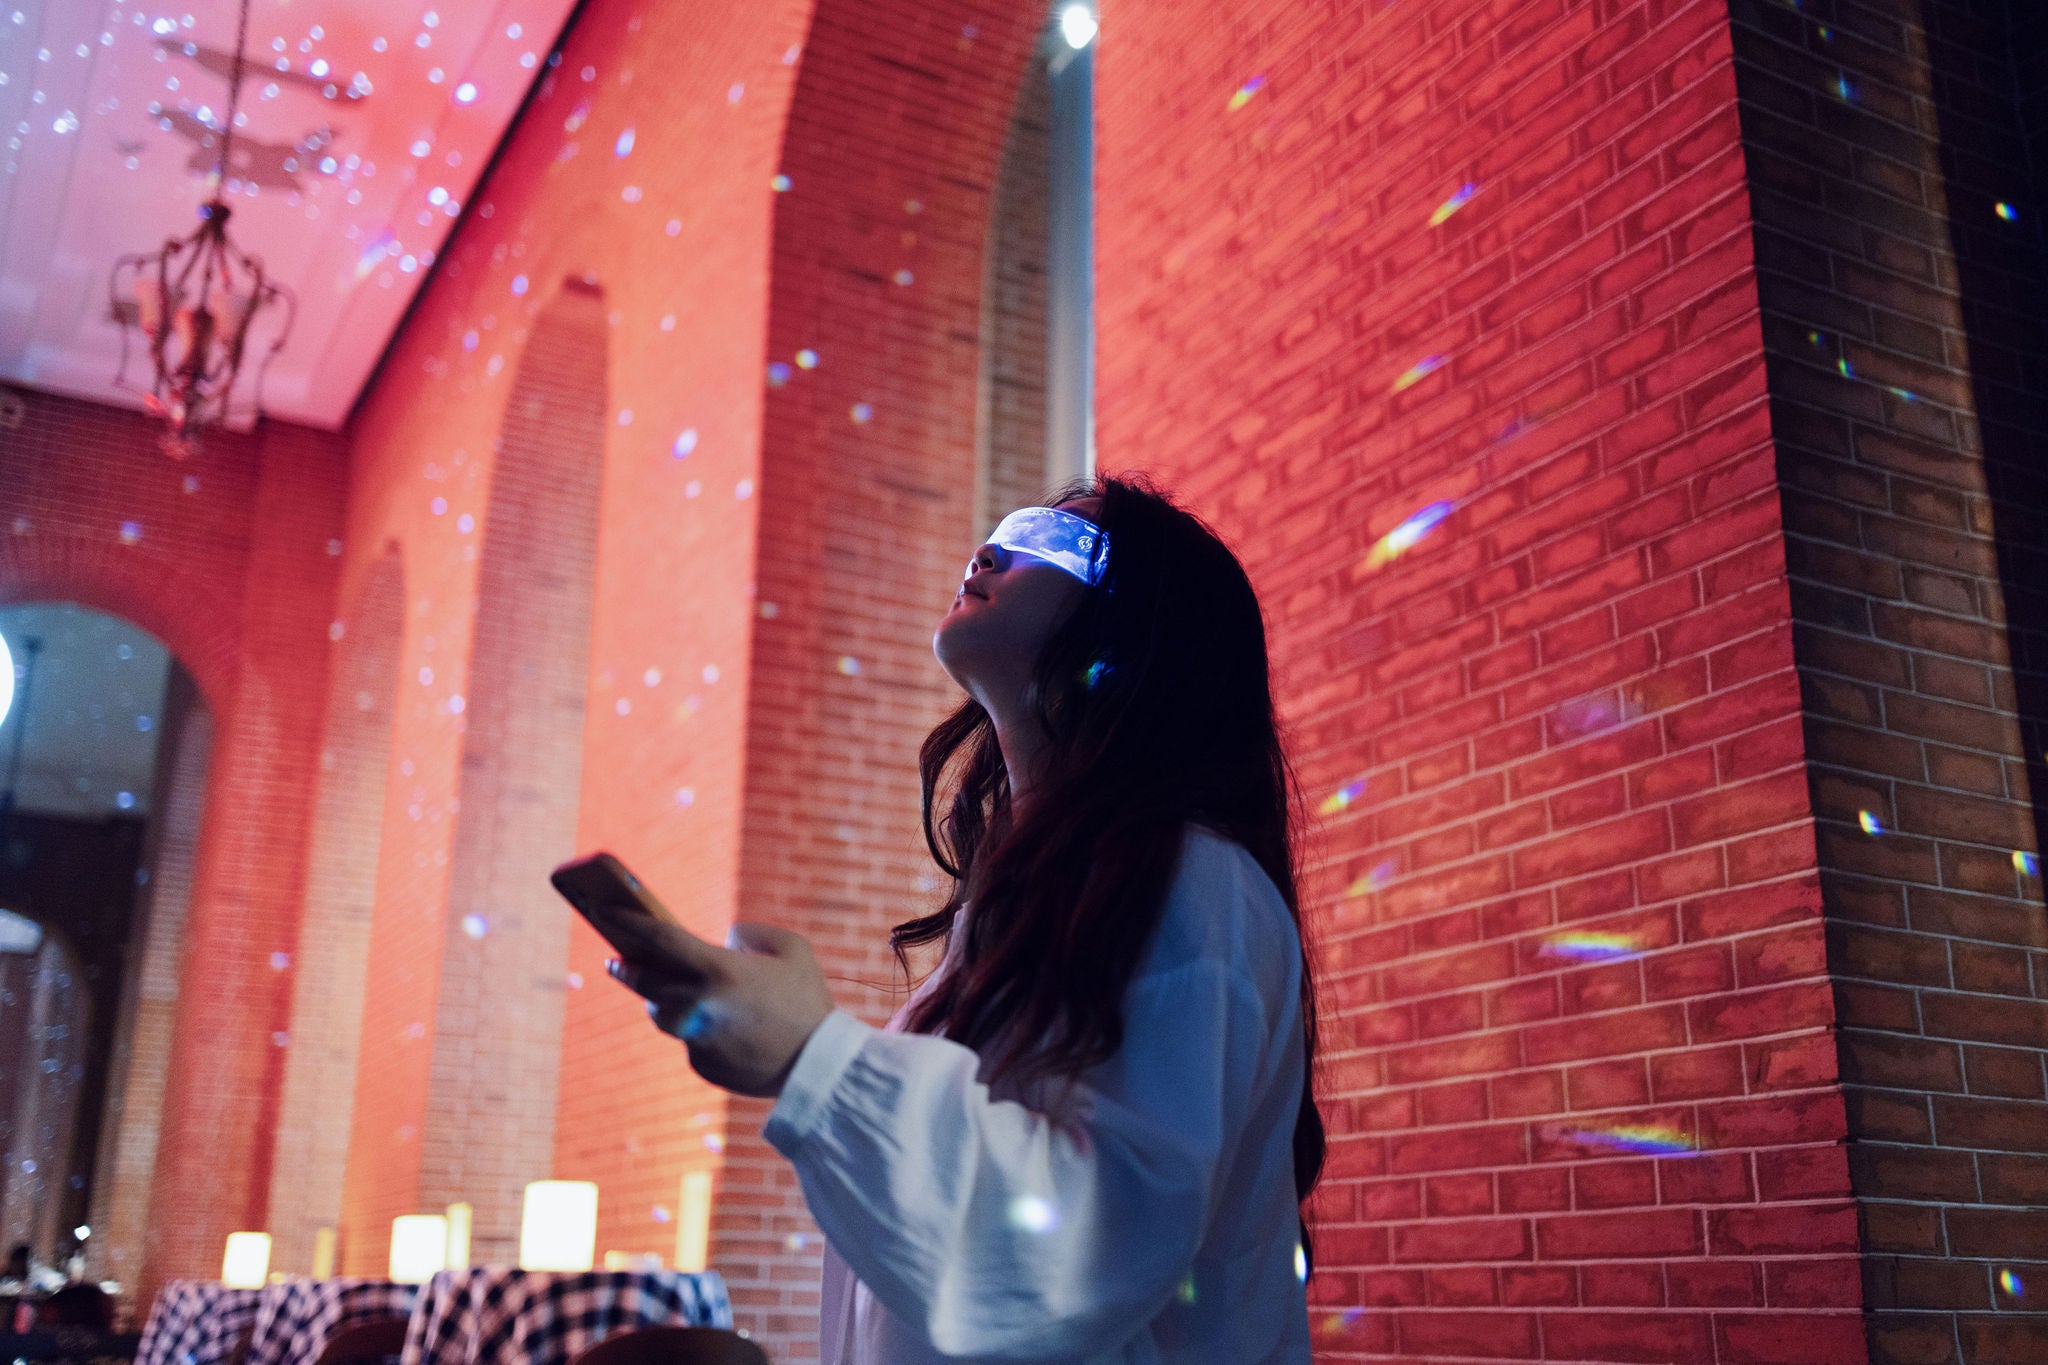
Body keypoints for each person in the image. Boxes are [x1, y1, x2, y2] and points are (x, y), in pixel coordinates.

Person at [604, 474, 1324, 1363]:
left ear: (1142, 633)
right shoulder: (1012, 912)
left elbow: (1082, 1257)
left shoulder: (1195, 882)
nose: (991, 550)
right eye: (1003, 529)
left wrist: (813, 1056)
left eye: (1051, 541)